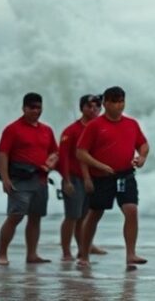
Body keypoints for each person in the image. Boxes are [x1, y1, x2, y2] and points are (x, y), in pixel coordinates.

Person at [75, 86, 150, 268]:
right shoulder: (95, 125)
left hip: (125, 174)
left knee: (131, 210)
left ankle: (130, 254)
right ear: (106, 103)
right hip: (101, 177)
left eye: (122, 101)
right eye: (115, 102)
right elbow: (81, 152)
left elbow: (144, 144)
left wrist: (141, 157)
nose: (119, 106)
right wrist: (99, 166)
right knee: (95, 214)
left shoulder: (131, 124)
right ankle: (84, 255)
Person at [0, 92, 59, 265]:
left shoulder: (47, 130)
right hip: (20, 179)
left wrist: (51, 162)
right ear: (24, 108)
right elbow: (2, 154)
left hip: (41, 179)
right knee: (15, 216)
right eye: (32, 107)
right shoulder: (13, 129)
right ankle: (1, 254)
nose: (36, 111)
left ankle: (32, 254)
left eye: (39, 107)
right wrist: (5, 179)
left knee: (35, 217)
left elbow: (54, 151)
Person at [56, 93, 107, 261]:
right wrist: (67, 180)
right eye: (89, 106)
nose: (93, 110)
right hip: (74, 178)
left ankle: (83, 248)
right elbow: (62, 156)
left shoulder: (99, 129)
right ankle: (66, 252)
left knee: (85, 217)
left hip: (93, 179)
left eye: (97, 107)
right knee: (72, 216)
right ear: (81, 108)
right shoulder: (71, 131)